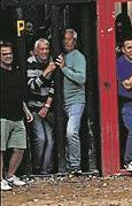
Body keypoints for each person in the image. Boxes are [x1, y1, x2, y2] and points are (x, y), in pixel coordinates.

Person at [1, 41, 34, 191]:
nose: (8, 56)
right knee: (0, 149)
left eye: (9, 53)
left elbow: (19, 95)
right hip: (2, 115)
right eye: (4, 54)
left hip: (17, 114)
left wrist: (26, 110)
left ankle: (10, 175)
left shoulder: (16, 71)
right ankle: (0, 180)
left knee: (20, 147)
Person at [57, 28, 87, 173]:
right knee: (63, 133)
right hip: (62, 102)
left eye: (70, 39)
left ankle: (75, 165)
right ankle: (68, 164)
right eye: (65, 39)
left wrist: (64, 69)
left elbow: (81, 78)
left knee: (71, 132)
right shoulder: (61, 55)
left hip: (76, 100)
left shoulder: (78, 56)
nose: (67, 42)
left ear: (75, 41)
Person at [26, 38, 56, 174]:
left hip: (46, 107)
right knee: (40, 138)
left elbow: (53, 86)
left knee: (50, 139)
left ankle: (45, 170)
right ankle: (36, 168)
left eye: (46, 49)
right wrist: (46, 71)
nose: (45, 52)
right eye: (42, 49)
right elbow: (32, 86)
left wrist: (47, 106)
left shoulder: (51, 61)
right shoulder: (30, 63)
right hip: (33, 108)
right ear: (36, 51)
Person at [116, 31, 132, 173]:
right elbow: (127, 84)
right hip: (126, 103)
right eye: (129, 47)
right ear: (123, 49)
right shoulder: (121, 63)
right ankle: (129, 160)